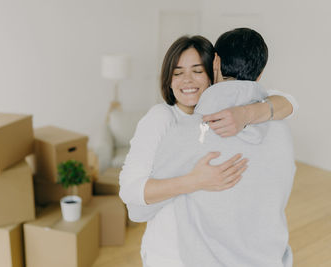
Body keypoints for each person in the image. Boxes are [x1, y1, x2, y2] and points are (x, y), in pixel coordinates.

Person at [119, 32, 298, 267]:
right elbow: (132, 196)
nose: (187, 80)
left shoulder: (240, 113)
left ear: (214, 69)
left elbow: (288, 100)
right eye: (178, 73)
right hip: (169, 251)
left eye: (197, 71)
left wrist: (246, 114)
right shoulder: (162, 119)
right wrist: (194, 181)